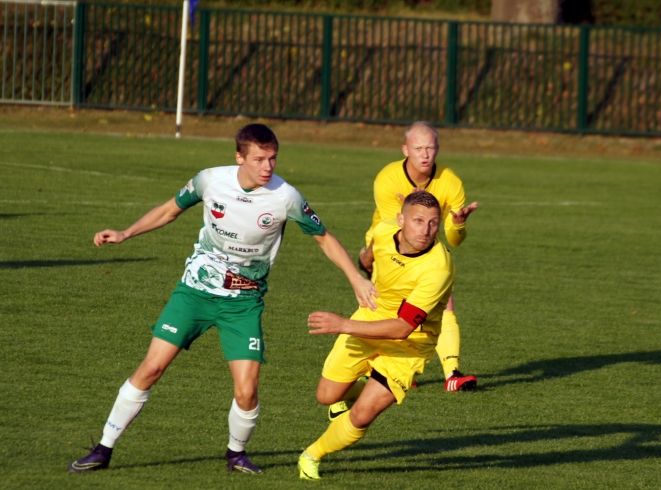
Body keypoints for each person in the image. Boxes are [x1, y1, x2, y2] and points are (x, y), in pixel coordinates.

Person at [68, 123, 376, 475]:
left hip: (243, 302)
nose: (268, 167)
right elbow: (170, 209)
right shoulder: (210, 180)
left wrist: (355, 278)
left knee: (247, 390)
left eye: (273, 159)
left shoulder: (285, 197)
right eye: (259, 159)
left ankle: (236, 454)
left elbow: (324, 238)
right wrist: (125, 233)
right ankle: (103, 449)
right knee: (151, 368)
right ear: (239, 157)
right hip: (195, 291)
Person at [298, 190, 454, 480]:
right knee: (326, 396)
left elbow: (402, 328)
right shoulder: (383, 230)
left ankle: (311, 455)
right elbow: (368, 256)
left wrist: (343, 325)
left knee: (361, 415)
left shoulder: (438, 268)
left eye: (433, 222)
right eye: (418, 221)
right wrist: (364, 271)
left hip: (410, 345)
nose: (426, 230)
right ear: (400, 220)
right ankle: (361, 382)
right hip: (369, 318)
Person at [358, 121, 478, 392]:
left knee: (444, 300)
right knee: (389, 305)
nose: (425, 154)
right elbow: (395, 231)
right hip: (386, 243)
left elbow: (454, 242)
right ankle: (378, 368)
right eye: (418, 148)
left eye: (430, 148)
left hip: (427, 245)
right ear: (405, 149)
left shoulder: (451, 182)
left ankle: (452, 374)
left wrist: (457, 224)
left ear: (438, 149)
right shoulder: (388, 178)